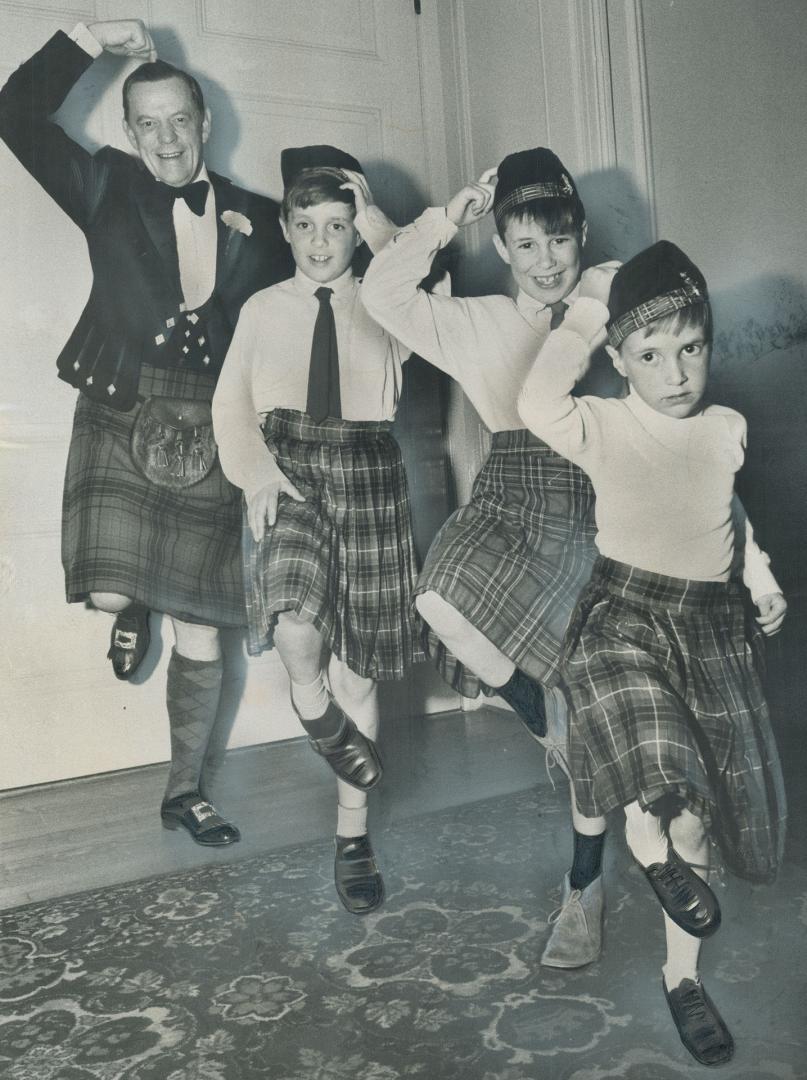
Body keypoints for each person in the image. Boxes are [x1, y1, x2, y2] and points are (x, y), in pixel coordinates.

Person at [0, 19, 292, 845]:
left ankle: (185, 791)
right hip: (123, 405)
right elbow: (13, 113)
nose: (165, 139)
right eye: (147, 123)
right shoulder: (104, 184)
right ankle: (132, 607)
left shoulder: (261, 219)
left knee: (202, 626)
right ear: (129, 132)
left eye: (179, 121)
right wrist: (86, 40)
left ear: (205, 123)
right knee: (112, 590)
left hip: (213, 420)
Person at [518, 240, 787, 1066]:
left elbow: (729, 515)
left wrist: (762, 577)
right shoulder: (600, 420)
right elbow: (533, 399)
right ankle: (641, 839)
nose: (673, 374)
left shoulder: (725, 428)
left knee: (696, 825)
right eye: (648, 355)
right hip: (625, 614)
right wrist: (591, 307)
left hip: (708, 627)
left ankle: (682, 978)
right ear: (617, 359)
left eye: (690, 349)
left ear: (707, 341)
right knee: (653, 758)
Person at [361, 147, 619, 967]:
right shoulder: (471, 320)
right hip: (511, 494)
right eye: (527, 245)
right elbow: (380, 290)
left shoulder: (609, 294)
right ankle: (540, 718)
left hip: (602, 496)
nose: (547, 263)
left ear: (578, 235)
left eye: (560, 241)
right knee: (439, 594)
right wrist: (449, 215)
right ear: (502, 247)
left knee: (594, 702)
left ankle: (583, 892)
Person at [212, 146, 421, 914]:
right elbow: (229, 405)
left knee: (359, 669)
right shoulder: (263, 308)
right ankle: (322, 720)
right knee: (297, 628)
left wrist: (378, 224)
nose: (323, 241)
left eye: (338, 225)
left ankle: (351, 832)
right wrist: (259, 475)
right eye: (307, 224)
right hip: (288, 469)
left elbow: (425, 277)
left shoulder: (390, 299)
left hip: (368, 472)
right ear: (285, 226)